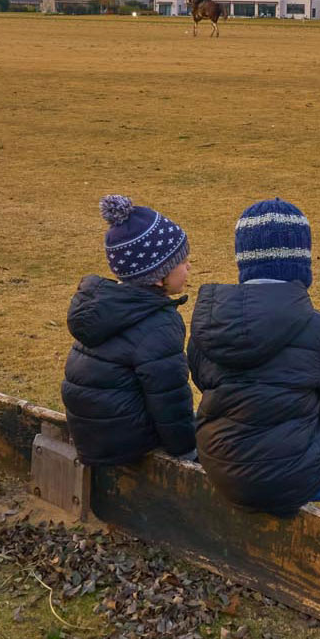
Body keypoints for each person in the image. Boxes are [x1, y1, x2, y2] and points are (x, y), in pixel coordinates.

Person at [188, 199, 320, 524]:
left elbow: (200, 376)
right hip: (284, 471)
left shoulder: (209, 322)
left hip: (219, 460)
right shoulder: (317, 328)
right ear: (301, 263)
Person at [61, 195, 196, 466]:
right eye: (182, 262)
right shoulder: (158, 324)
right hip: (126, 444)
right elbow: (170, 397)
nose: (189, 267)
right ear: (159, 275)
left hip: (93, 436)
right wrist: (188, 451)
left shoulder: (107, 308)